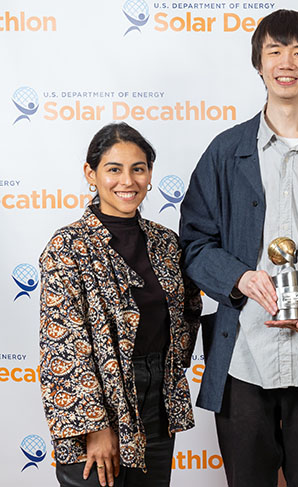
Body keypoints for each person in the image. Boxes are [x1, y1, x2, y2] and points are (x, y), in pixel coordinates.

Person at [178, 9, 298, 487]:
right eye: (275, 51)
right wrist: (239, 278)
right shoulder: (225, 151)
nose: (287, 62)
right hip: (244, 354)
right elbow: (194, 244)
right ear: (259, 64)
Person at [39, 122, 201, 487]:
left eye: (137, 169)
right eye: (114, 169)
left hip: (157, 399)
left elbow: (187, 314)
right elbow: (61, 347)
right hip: (94, 401)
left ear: (149, 175)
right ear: (91, 174)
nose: (127, 181)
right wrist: (95, 427)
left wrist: (167, 371)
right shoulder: (68, 247)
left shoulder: (165, 243)